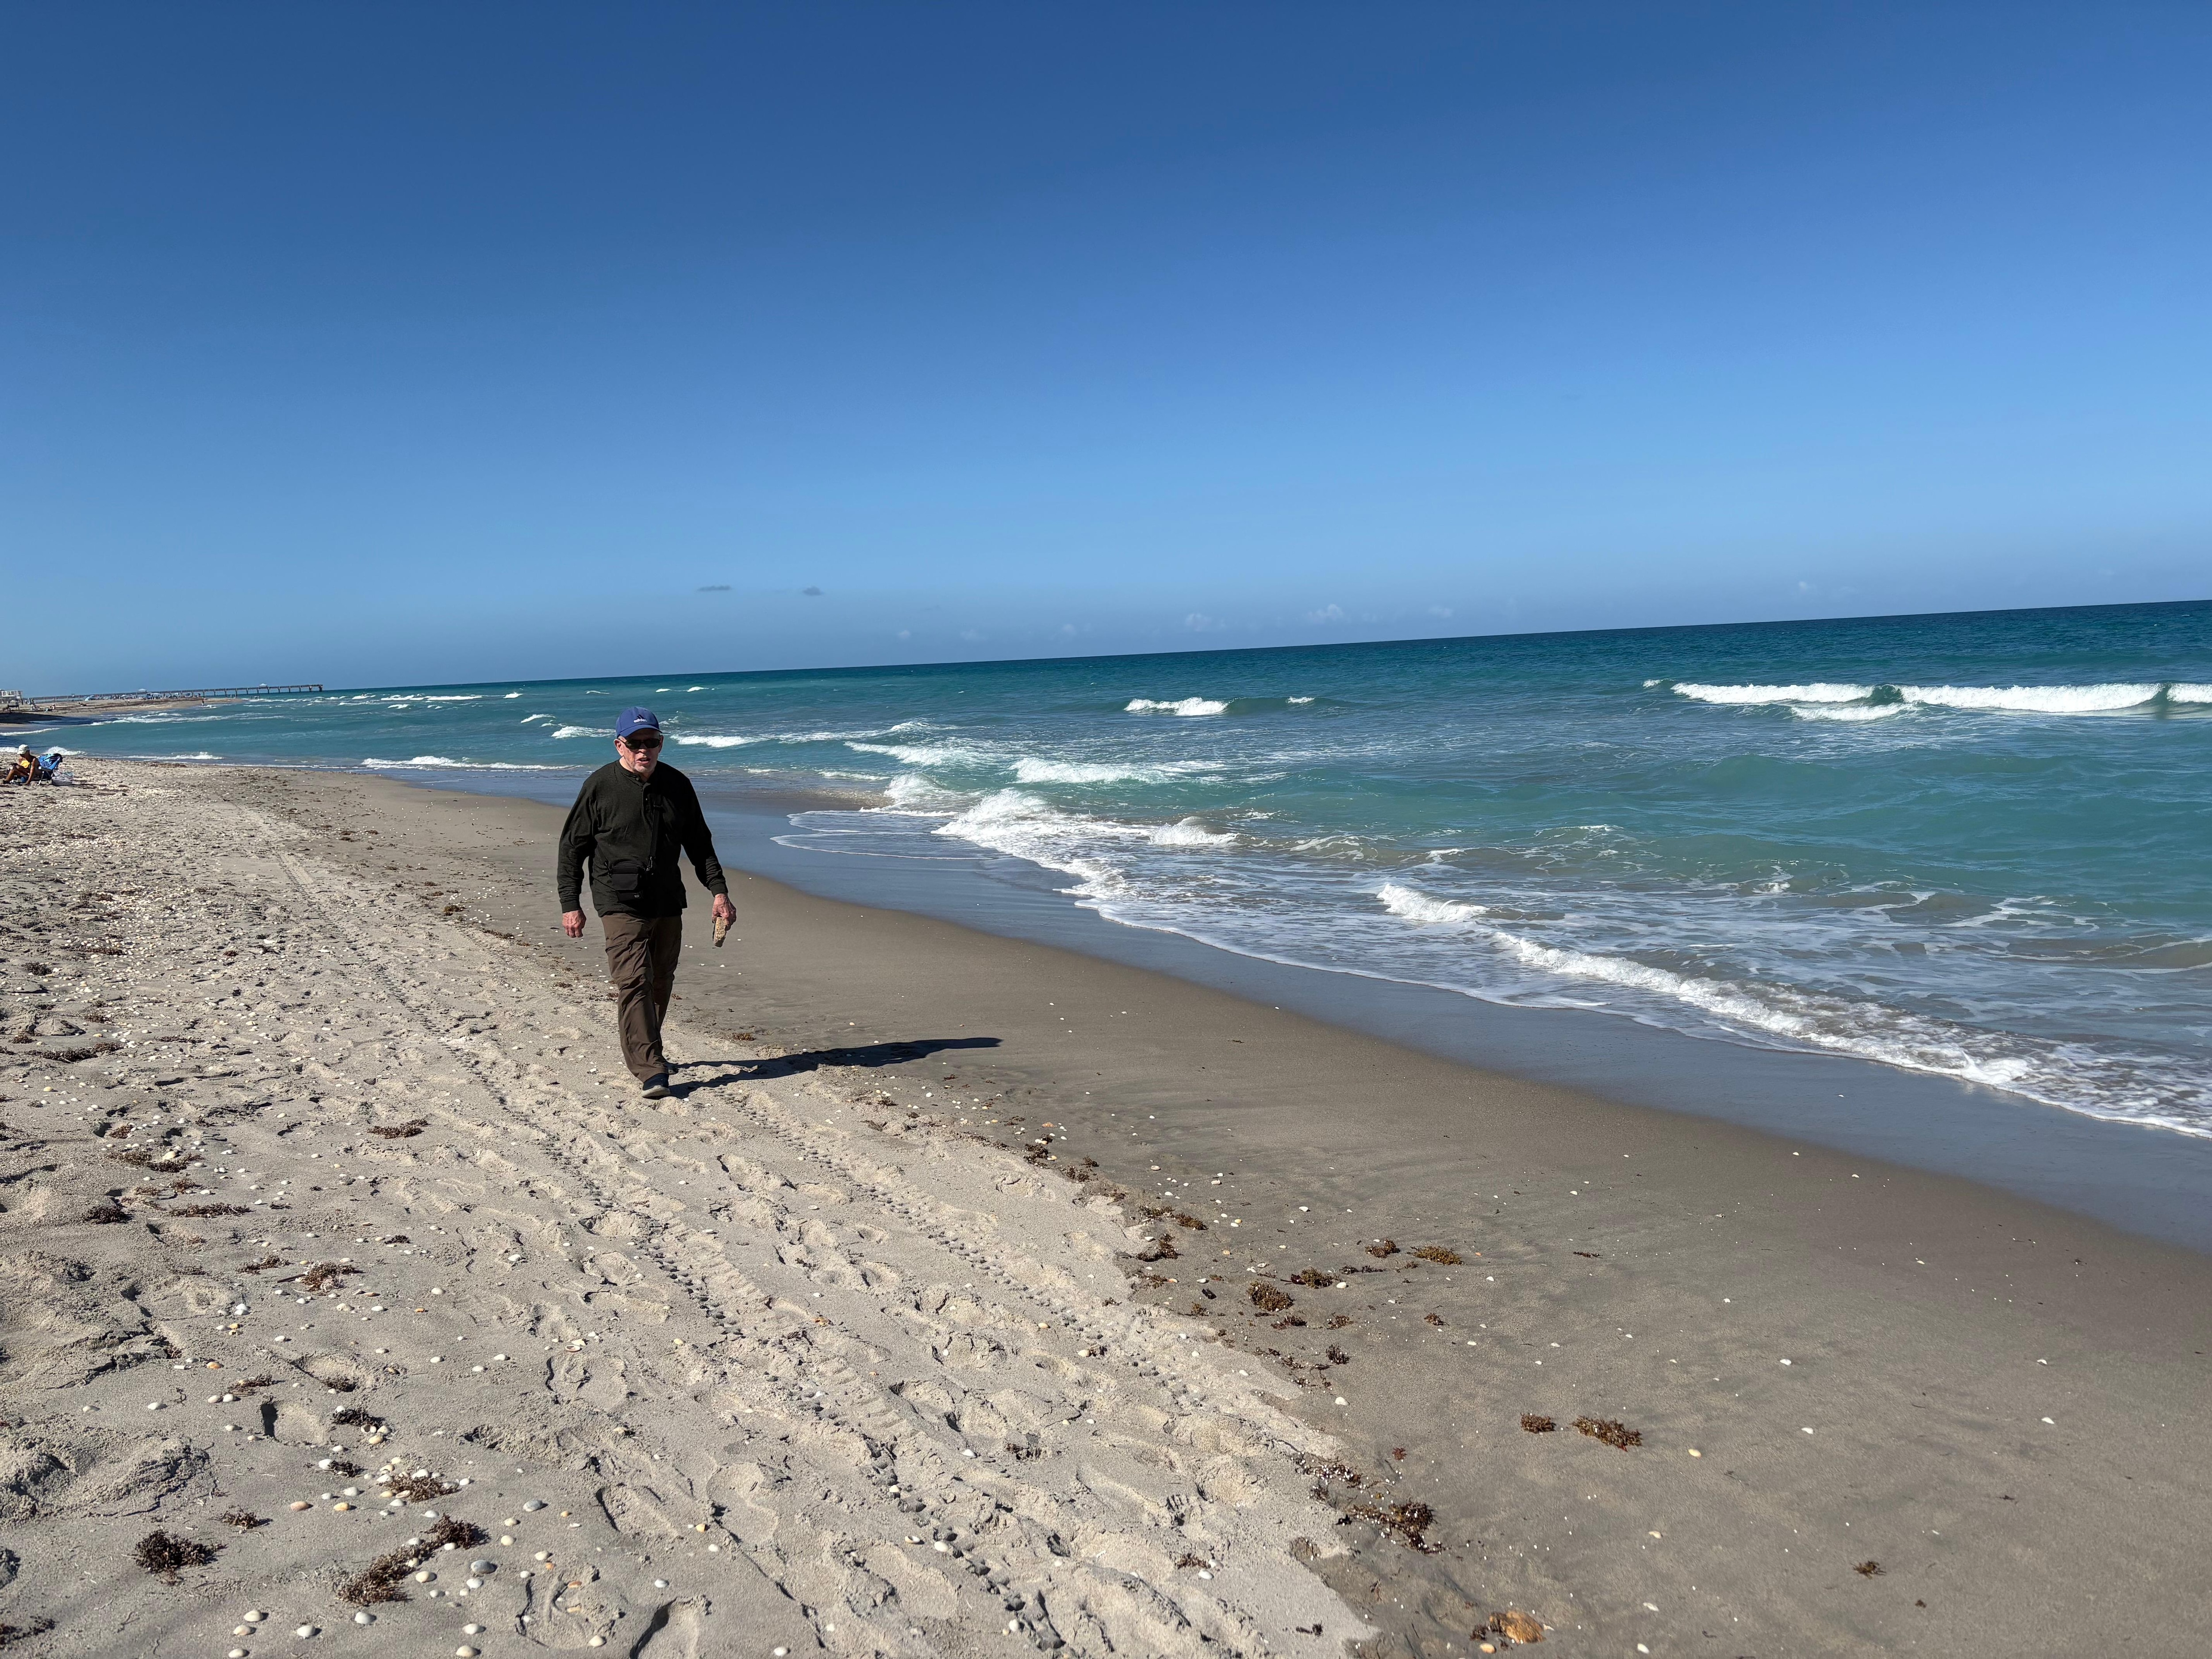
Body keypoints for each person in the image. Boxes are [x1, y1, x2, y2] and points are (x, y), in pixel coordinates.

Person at [557, 707, 734, 1098]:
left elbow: (700, 845)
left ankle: (649, 1048)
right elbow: (572, 848)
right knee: (633, 980)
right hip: (618, 899)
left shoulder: (677, 784)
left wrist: (719, 892)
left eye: (651, 742)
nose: (644, 751)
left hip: (668, 897)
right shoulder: (600, 786)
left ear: (661, 743)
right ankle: (650, 1068)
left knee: (660, 980)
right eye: (635, 744)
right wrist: (572, 903)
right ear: (619, 745)